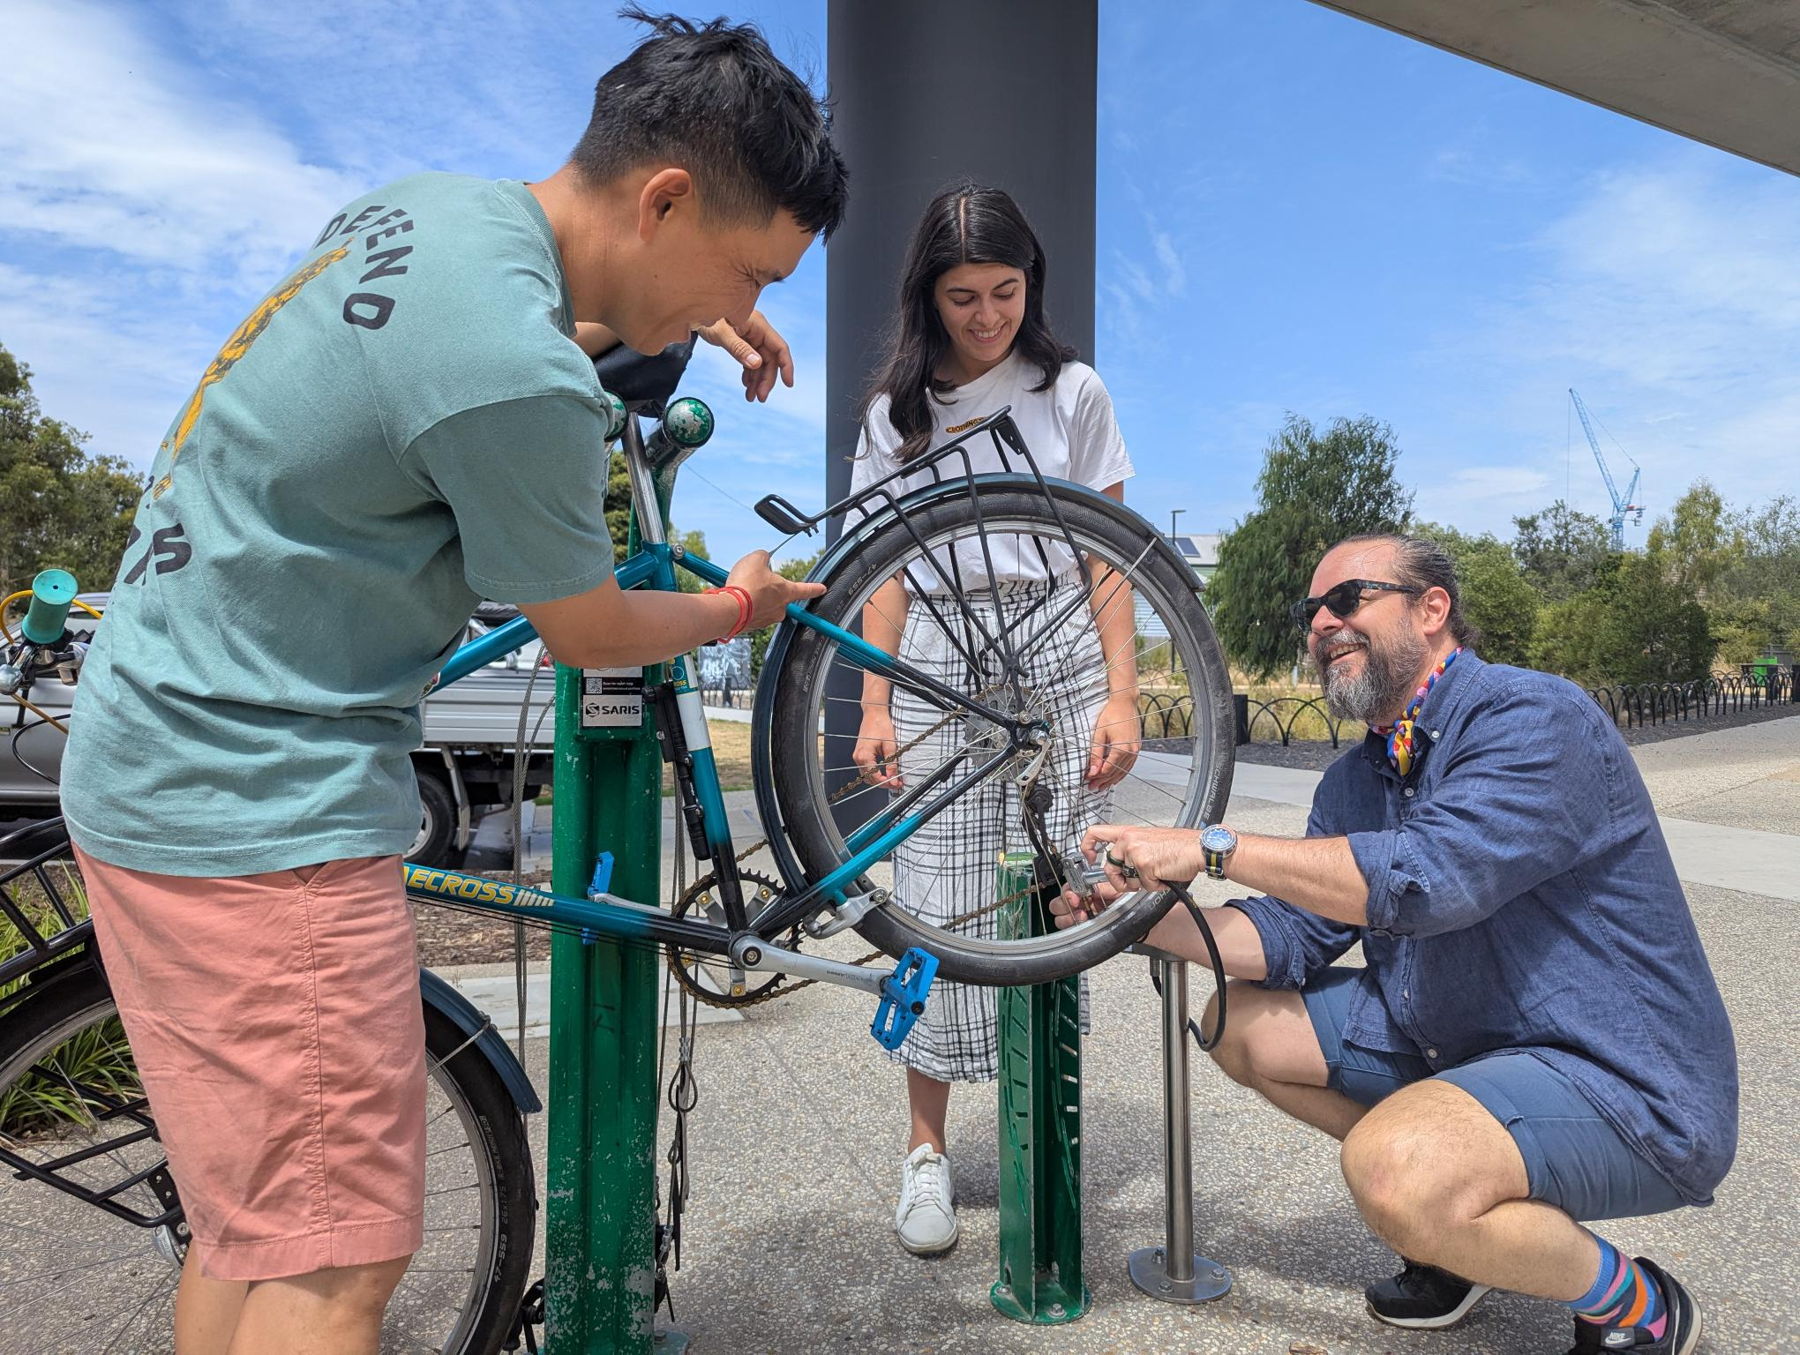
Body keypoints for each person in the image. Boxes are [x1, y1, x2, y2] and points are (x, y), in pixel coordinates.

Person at [58, 13, 842, 1354]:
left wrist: (704, 310)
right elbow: (589, 624)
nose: (743, 307)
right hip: (260, 805)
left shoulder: (429, 211)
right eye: (746, 270)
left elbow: (534, 322)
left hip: (148, 745)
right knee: (340, 1260)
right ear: (666, 200)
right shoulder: (519, 380)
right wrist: (736, 603)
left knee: (256, 1228)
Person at [1059, 533, 1735, 1355]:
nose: (1322, 625)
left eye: (1348, 600)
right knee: (1238, 1020)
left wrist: (1211, 844)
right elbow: (1291, 934)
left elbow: (1430, 876)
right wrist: (1127, 918)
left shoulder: (1533, 719)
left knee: (1394, 1168)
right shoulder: (1357, 776)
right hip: (1466, 1049)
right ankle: (1462, 1233)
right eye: (1312, 612)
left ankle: (1637, 1301)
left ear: (1432, 609)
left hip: (1618, 1080)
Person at [848, 184, 1140, 1256]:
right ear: (929, 294)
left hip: (1053, 638)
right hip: (937, 651)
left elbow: (1108, 549)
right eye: (963, 295)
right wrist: (874, 699)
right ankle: (925, 1152)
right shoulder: (896, 412)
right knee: (932, 896)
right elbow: (882, 569)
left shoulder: (1072, 391)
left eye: (1006, 291)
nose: (986, 316)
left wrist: (1121, 688)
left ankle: (1042, 1134)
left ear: (1035, 284)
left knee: (1054, 883)